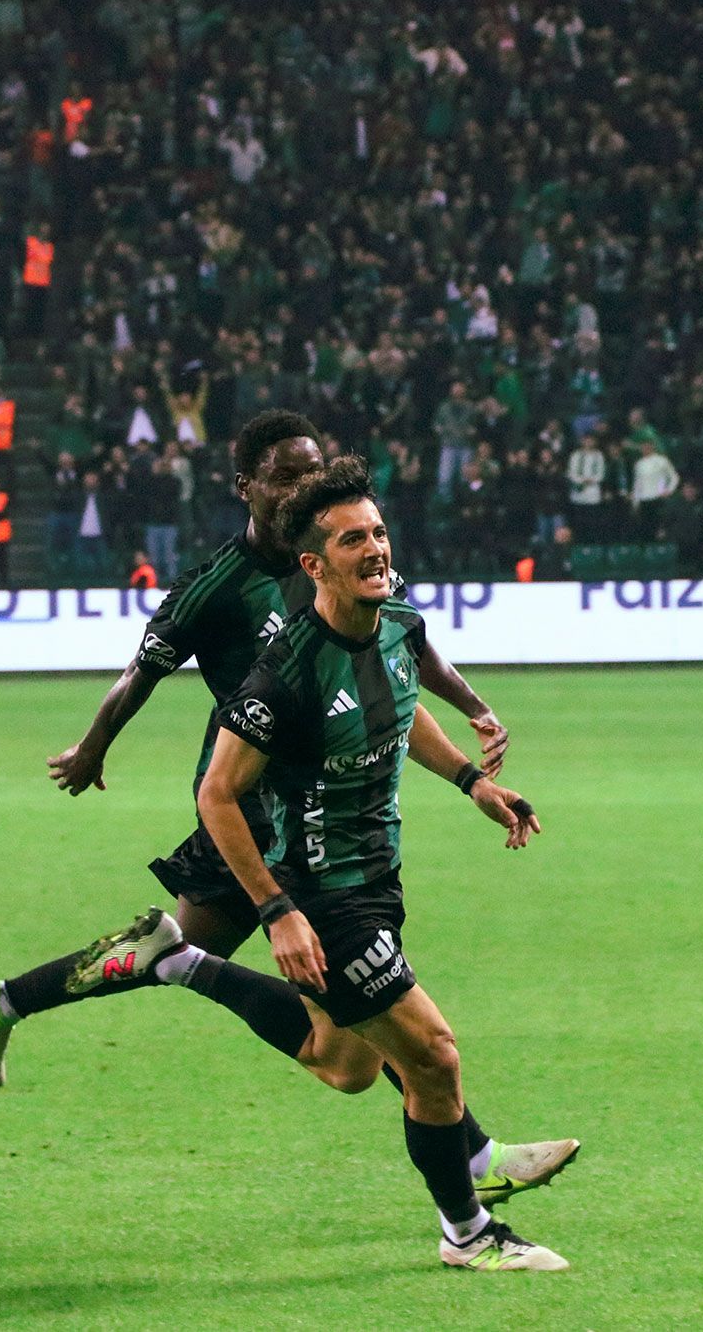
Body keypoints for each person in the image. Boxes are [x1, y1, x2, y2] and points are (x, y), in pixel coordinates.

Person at [0, 415, 575, 1208]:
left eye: (309, 472)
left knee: (306, 1002)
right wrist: (93, 747)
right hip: (257, 814)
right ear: (246, 487)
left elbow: (397, 666)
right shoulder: (221, 584)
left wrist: (472, 737)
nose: (299, 489)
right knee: (367, 994)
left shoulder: (346, 557)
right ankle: (474, 1160)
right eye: (283, 476)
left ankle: (7, 998)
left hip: (312, 805)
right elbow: (140, 673)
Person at [194, 456, 571, 1271]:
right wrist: (276, 911)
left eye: (379, 532)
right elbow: (217, 794)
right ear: (313, 564)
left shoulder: (398, 623)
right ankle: (467, 1232)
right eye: (351, 540)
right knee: (433, 1056)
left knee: (347, 1067)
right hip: (321, 897)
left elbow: (400, 709)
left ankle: (181, 965)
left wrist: (472, 783)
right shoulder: (285, 672)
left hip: (379, 880)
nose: (375, 549)